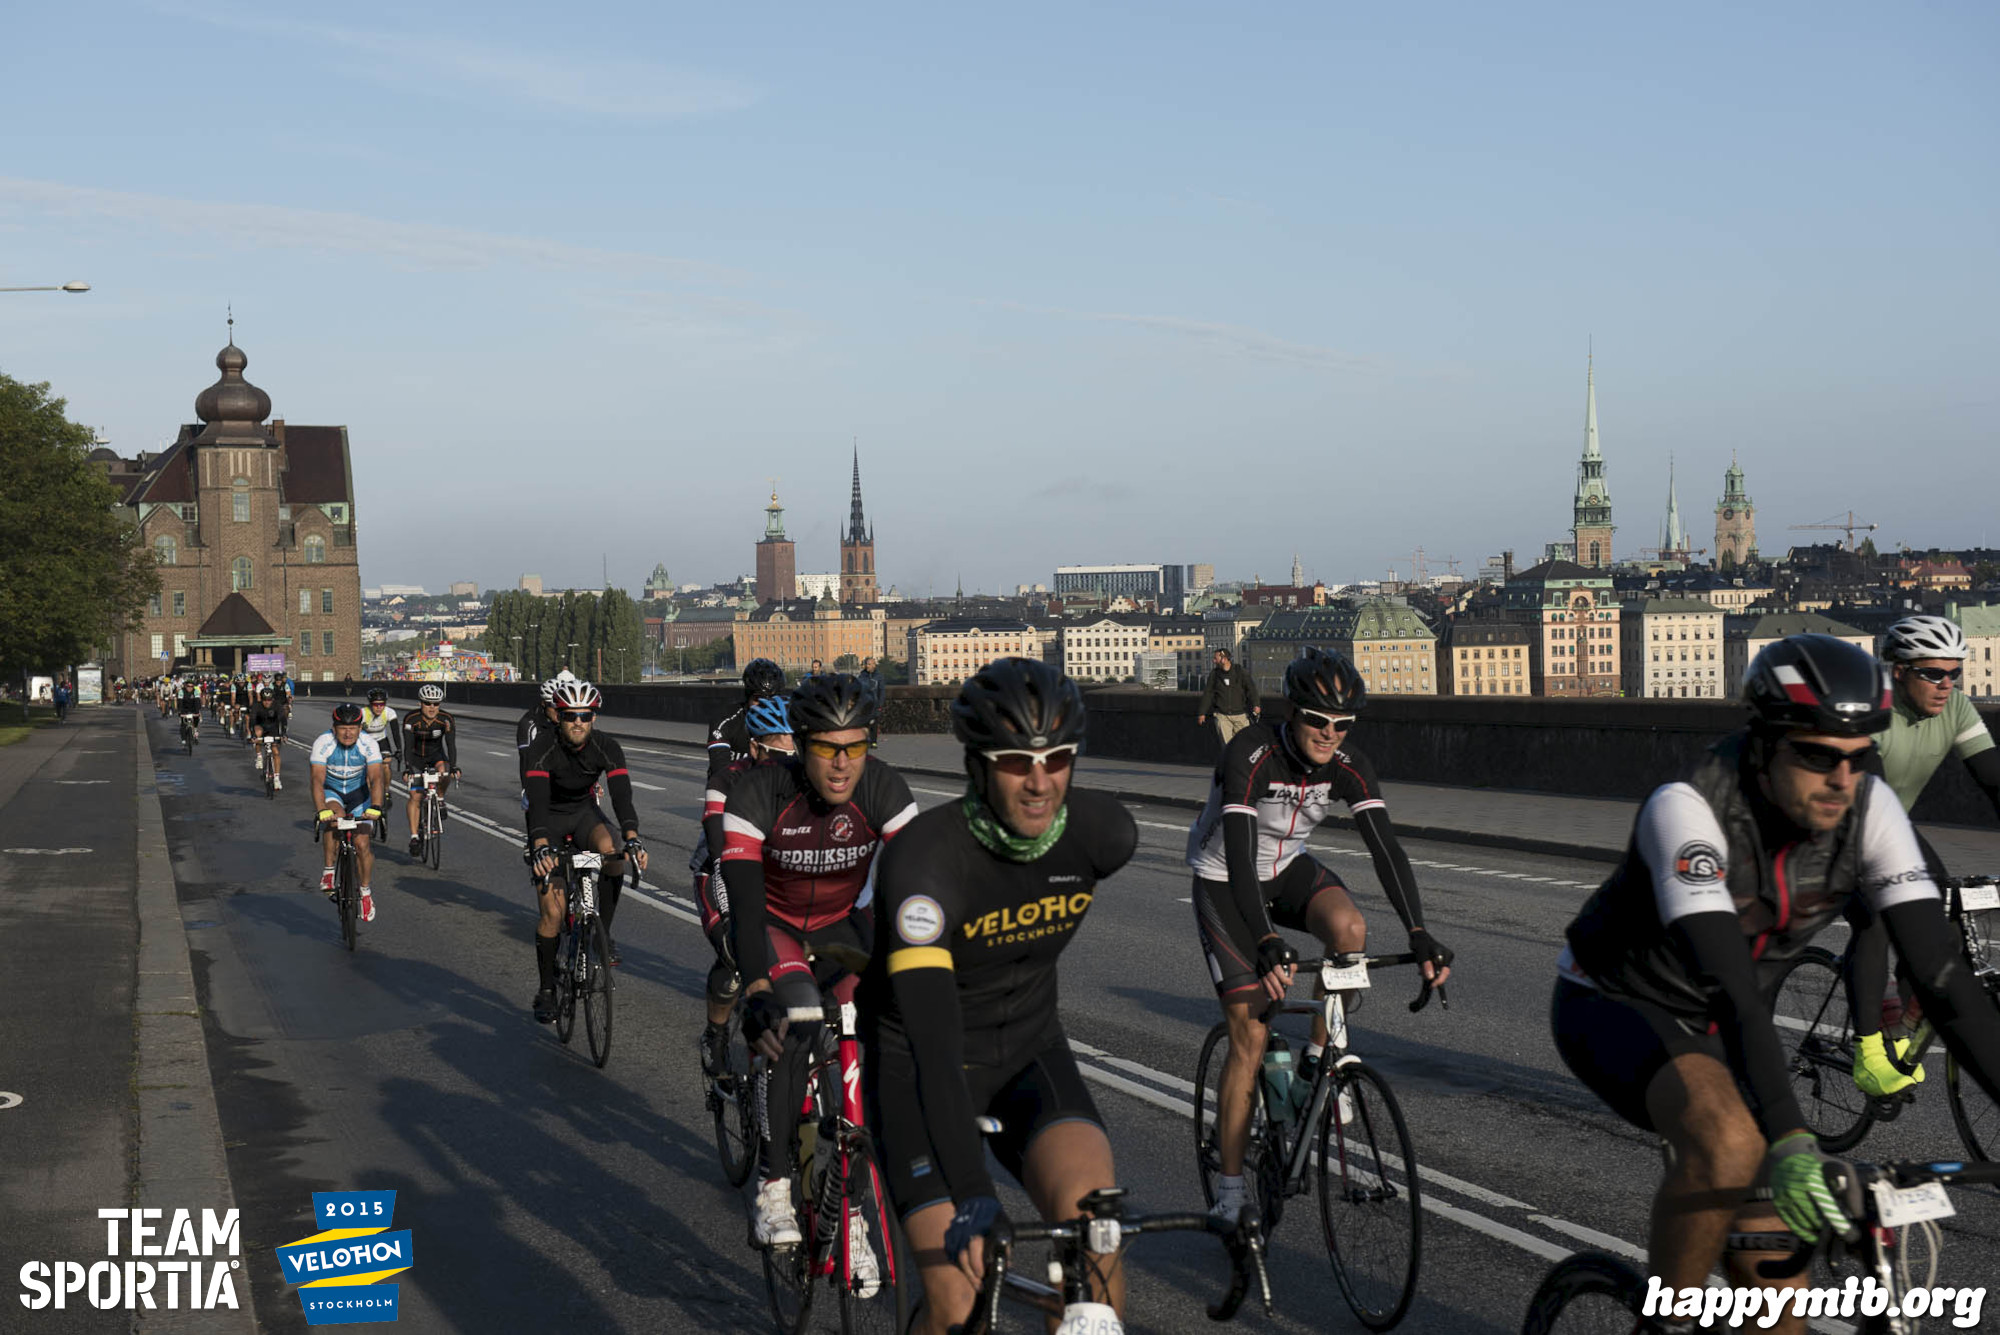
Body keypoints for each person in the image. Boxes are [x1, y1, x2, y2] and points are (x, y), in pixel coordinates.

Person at [1552, 635, 2000, 1330]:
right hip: (1620, 1000)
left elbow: (1943, 979)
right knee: (1730, 1145)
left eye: (1858, 756)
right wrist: (1790, 1136)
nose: (1842, 779)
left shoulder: (1867, 805)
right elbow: (1729, 985)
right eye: (1817, 755)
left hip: (1733, 1016)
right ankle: (1667, 1321)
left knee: (1776, 1272)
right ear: (1765, 745)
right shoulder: (1691, 808)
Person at [864, 659, 1137, 1333]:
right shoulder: (926, 864)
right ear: (978, 766)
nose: (1040, 782)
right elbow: (932, 1048)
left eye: (1057, 759)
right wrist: (974, 1192)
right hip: (920, 1069)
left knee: (1097, 1245)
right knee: (959, 1296)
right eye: (1017, 762)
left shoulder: (1103, 837)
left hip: (1027, 1050)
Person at [1185, 646, 1451, 1224]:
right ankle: (1230, 1190)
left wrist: (1419, 931)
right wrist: (1263, 940)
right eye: (1317, 720)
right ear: (1292, 712)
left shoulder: (1347, 763)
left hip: (1287, 870)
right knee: (1251, 1036)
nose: (1330, 734)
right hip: (1226, 880)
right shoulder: (1250, 752)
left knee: (1350, 928)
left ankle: (1315, 1061)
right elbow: (1238, 856)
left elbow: (1385, 847)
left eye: (1343, 724)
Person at [721, 673, 917, 1249]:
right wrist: (757, 990)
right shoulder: (759, 794)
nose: (842, 764)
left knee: (880, 1029)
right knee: (800, 1016)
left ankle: (848, 1208)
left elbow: (919, 888)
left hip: (843, 928)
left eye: (855, 747)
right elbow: (746, 909)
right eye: (828, 748)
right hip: (776, 927)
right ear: (801, 745)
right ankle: (775, 1185)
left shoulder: (883, 788)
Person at [1842, 614, 2000, 1098]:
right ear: (1898, 671)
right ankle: (1868, 1050)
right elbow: (1868, 792)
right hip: (1835, 829)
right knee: (1877, 916)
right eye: (1933, 673)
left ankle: (1902, 1026)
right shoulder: (1866, 707)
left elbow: (1993, 778)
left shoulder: (1956, 708)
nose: (1946, 684)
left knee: (1947, 914)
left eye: (1954, 673)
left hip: (1891, 824)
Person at [523, 679, 646, 1022]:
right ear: (559, 717)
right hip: (548, 820)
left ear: (594, 717)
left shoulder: (607, 746)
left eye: (585, 715)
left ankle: (600, 933)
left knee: (613, 850)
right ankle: (547, 989)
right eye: (570, 716)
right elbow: (537, 804)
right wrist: (540, 845)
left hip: (584, 815)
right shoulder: (542, 747)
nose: (578, 722)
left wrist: (633, 836)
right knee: (553, 914)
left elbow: (621, 795)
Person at [693, 695, 796, 1077]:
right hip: (721, 869)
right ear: (755, 748)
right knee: (736, 954)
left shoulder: (803, 777)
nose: (790, 762)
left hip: (776, 875)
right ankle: (716, 1034)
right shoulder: (726, 781)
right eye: (779, 753)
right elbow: (721, 849)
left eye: (797, 751)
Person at [308, 704, 387, 923]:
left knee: (362, 844)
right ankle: (329, 870)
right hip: (332, 791)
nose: (348, 733)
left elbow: (376, 778)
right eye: (342, 728)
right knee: (334, 820)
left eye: (353, 728)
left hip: (359, 794)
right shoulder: (323, 742)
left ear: (360, 728)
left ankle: (365, 892)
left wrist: (376, 806)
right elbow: (317, 779)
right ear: (334, 728)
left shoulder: (368, 744)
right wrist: (321, 809)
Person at [402, 684, 460, 856]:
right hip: (416, 757)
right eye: (427, 703)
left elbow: (451, 745)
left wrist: (454, 767)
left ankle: (440, 799)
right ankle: (414, 836)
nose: (432, 707)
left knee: (445, 771)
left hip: (436, 756)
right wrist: (408, 768)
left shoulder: (446, 719)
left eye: (436, 704)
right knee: (415, 796)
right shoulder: (411, 719)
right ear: (420, 703)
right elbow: (407, 746)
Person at [707, 658, 787, 781]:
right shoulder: (726, 720)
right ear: (747, 697)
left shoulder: (789, 724)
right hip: (729, 786)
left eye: (772, 700)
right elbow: (721, 771)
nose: (765, 706)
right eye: (758, 699)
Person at [1195, 648, 1260, 744]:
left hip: (1240, 715)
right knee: (1227, 745)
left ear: (1224, 659)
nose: (1213, 661)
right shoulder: (1215, 674)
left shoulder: (1239, 671)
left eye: (1215, 658)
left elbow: (1251, 689)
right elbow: (1208, 694)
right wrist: (1202, 712)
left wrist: (1256, 704)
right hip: (1222, 715)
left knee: (1243, 744)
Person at [249, 686, 288, 789]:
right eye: (265, 700)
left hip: (273, 728)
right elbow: (252, 721)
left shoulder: (277, 706)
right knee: (258, 733)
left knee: (276, 752)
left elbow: (283, 720)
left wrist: (284, 734)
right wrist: (253, 734)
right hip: (260, 726)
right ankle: (259, 756)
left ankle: (277, 778)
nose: (267, 702)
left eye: (269, 700)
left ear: (273, 699)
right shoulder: (256, 706)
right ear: (261, 699)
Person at [176, 678, 203, 742]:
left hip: (193, 708)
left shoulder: (196, 691)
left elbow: (197, 702)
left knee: (196, 719)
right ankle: (183, 739)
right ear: (185, 686)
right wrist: (180, 711)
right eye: (188, 686)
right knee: (183, 724)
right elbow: (180, 702)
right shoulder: (181, 691)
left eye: (191, 686)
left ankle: (195, 729)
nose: (190, 688)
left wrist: (197, 711)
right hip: (184, 708)